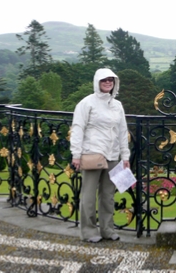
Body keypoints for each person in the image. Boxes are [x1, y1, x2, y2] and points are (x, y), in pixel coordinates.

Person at [70, 68, 130, 243]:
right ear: (97, 82)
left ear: (115, 83)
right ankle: (88, 231)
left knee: (108, 195)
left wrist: (125, 156)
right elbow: (78, 128)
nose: (108, 83)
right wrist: (76, 154)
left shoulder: (117, 105)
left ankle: (107, 229)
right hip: (92, 154)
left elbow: (122, 131)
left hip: (113, 155)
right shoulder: (86, 103)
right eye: (104, 80)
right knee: (88, 195)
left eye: (111, 80)